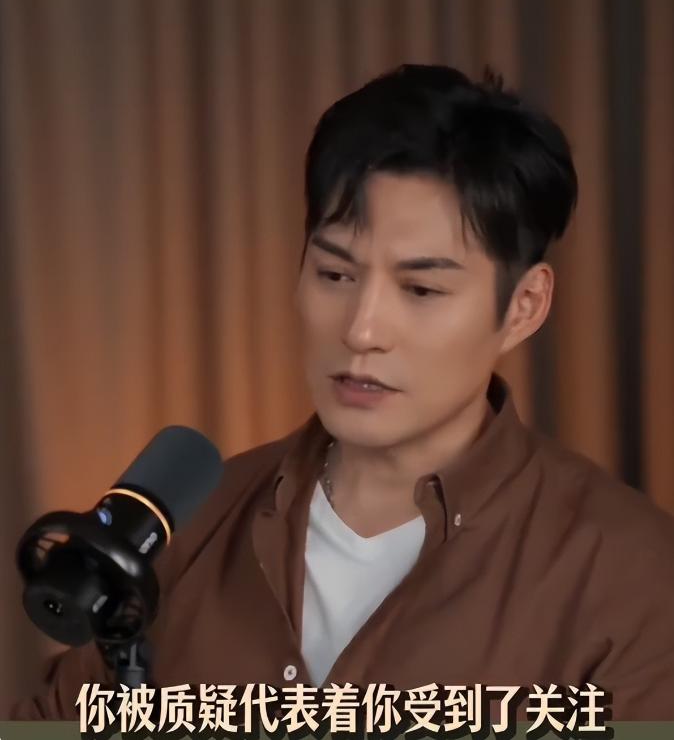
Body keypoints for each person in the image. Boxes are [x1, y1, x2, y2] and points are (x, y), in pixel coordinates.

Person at [10, 64, 674, 722]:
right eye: (335, 274)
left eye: (421, 289)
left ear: (523, 306)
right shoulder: (188, 528)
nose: (362, 330)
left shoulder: (631, 573)